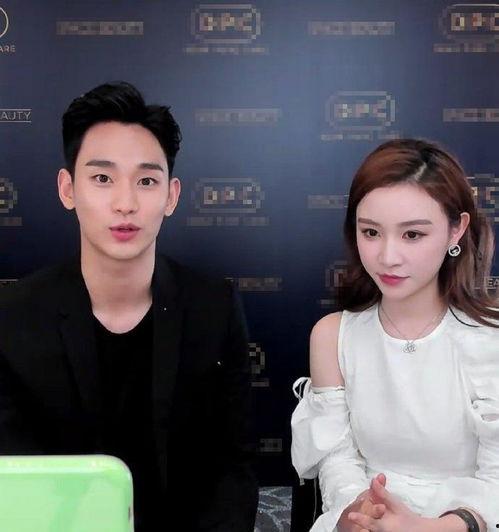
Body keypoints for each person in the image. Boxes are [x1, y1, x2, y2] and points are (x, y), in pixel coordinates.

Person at [0, 81, 258, 531]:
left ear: (171, 196)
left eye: (146, 181)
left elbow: (231, 470)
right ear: (67, 189)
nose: (126, 204)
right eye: (102, 178)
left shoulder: (212, 308)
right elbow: (17, 480)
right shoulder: (14, 316)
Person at [291, 139, 499, 532]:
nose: (387, 257)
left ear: (456, 230)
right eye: (371, 232)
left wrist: (433, 527)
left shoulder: (491, 337)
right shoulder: (333, 336)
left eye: (413, 235)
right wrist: (358, 513)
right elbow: (337, 460)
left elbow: (496, 479)